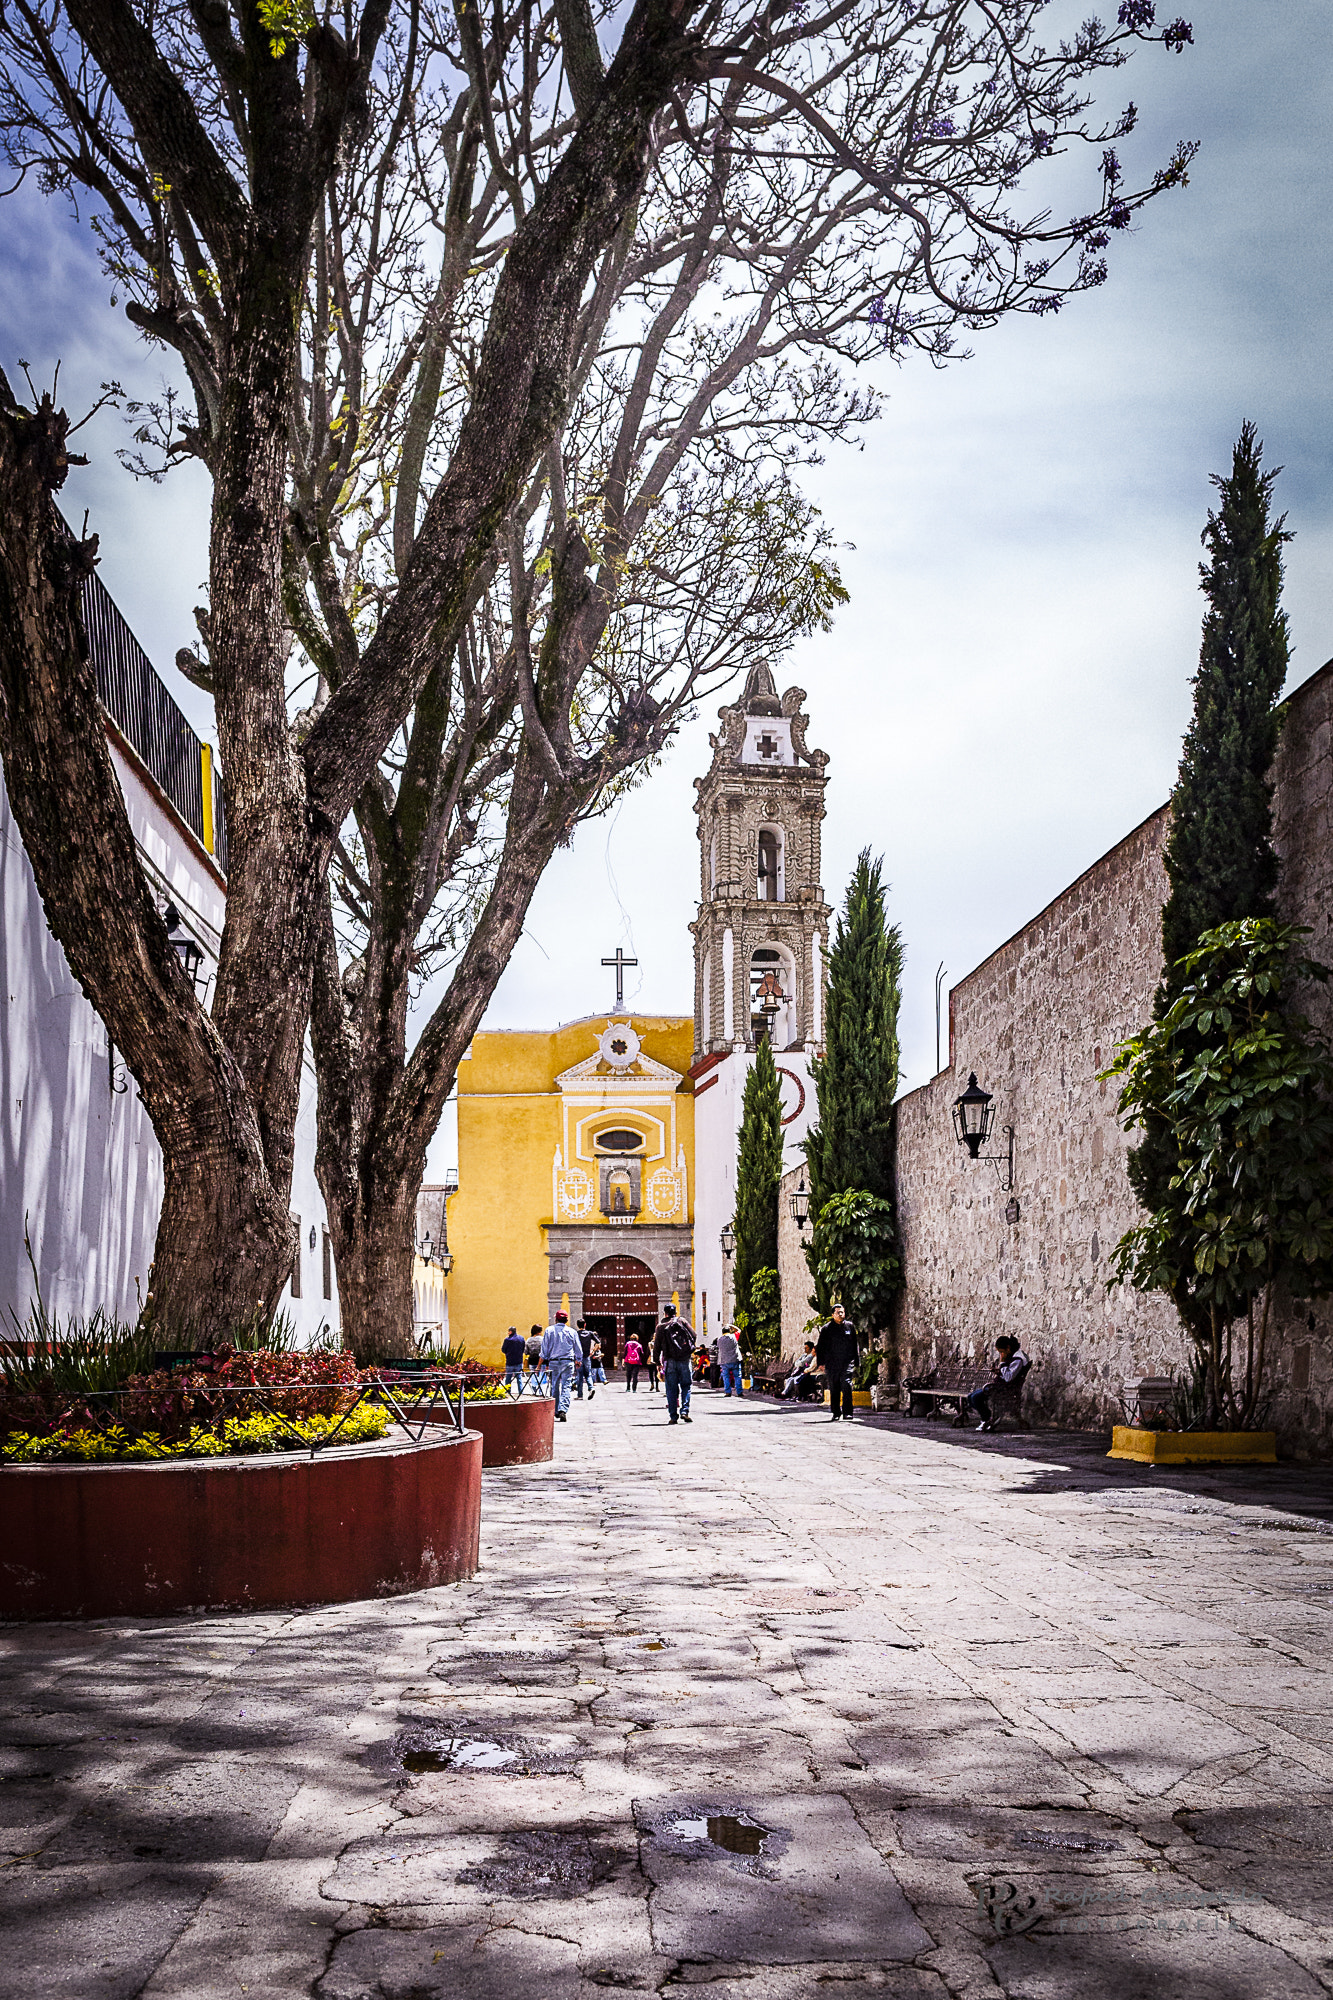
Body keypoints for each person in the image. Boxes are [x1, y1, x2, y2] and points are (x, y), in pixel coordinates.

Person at [967, 1336, 1030, 1432]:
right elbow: (1008, 1374)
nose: (1001, 1354)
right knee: (970, 1397)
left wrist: (1002, 1362)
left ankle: (986, 1419)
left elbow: (1009, 1377)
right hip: (999, 1385)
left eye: (1001, 1352)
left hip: (1004, 1388)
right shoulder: (1012, 1357)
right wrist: (999, 1371)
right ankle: (986, 1417)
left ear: (1008, 1348)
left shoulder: (1018, 1360)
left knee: (975, 1397)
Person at [654, 1302, 696, 1425]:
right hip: (684, 1359)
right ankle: (685, 1411)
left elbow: (657, 1347)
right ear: (675, 1312)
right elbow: (693, 1335)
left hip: (670, 1360)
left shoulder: (660, 1326)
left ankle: (673, 1416)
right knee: (686, 1386)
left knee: (671, 1389)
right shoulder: (682, 1321)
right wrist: (688, 1349)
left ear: (665, 1313)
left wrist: (657, 1362)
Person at [815, 1302, 858, 1423]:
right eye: (838, 1312)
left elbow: (855, 1344)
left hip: (846, 1363)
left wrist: (856, 1360)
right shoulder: (826, 1329)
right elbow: (821, 1347)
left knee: (846, 1385)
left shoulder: (850, 1327)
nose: (841, 1314)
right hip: (832, 1364)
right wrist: (821, 1363)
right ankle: (836, 1412)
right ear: (833, 1314)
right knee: (834, 1388)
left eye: (842, 1312)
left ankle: (848, 1413)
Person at [540, 1309, 583, 1420]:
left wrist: (541, 1362)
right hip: (568, 1361)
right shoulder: (572, 1332)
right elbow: (578, 1348)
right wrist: (578, 1359)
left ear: (556, 1319)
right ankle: (563, 1409)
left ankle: (555, 1410)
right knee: (566, 1386)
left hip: (553, 1362)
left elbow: (544, 1349)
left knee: (554, 1386)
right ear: (567, 1320)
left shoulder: (549, 1331)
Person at [717, 1325, 744, 1398]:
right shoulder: (734, 1336)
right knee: (737, 1376)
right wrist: (731, 1326)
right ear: (729, 1331)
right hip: (735, 1359)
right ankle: (739, 1392)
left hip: (724, 1361)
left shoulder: (719, 1339)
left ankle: (728, 1392)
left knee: (726, 1377)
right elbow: (739, 1330)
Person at [574, 1319, 596, 1401]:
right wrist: (592, 1351)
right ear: (585, 1324)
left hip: (578, 1358)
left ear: (577, 1325)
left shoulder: (576, 1334)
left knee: (579, 1376)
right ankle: (591, 1387)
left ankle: (580, 1395)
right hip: (587, 1357)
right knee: (588, 1374)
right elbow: (598, 1342)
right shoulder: (590, 1333)